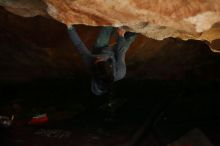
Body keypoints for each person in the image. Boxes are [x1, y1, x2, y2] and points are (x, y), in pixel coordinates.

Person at [67, 25, 136, 96]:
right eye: (102, 60)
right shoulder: (120, 72)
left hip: (99, 49)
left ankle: (112, 25)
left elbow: (79, 45)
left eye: (97, 60)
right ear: (110, 65)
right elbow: (120, 52)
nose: (98, 58)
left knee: (107, 28)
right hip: (114, 54)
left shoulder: (90, 61)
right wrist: (121, 36)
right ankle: (130, 32)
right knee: (130, 37)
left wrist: (70, 27)